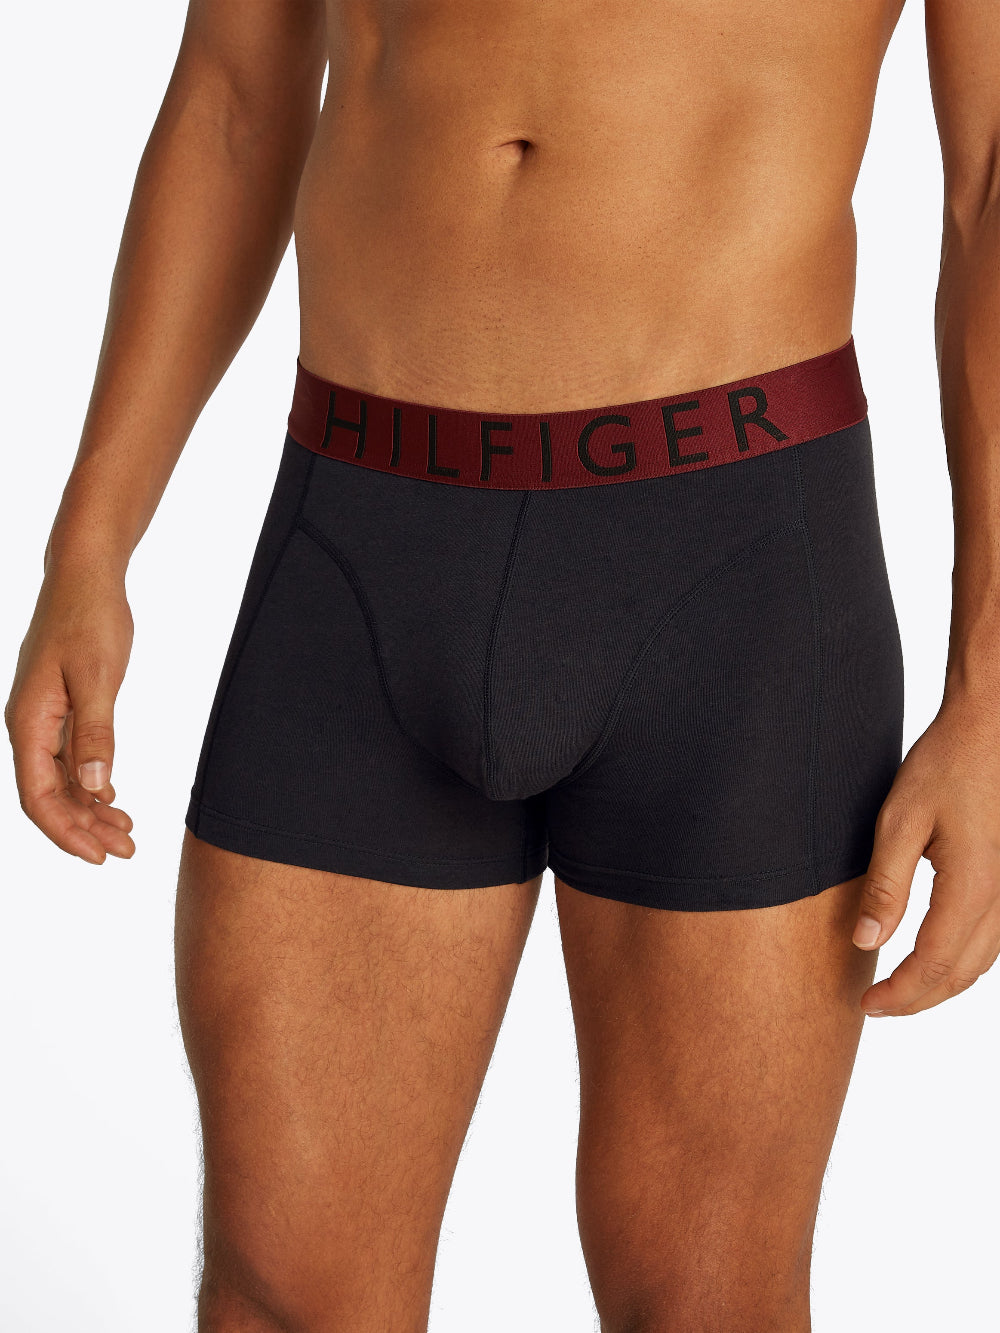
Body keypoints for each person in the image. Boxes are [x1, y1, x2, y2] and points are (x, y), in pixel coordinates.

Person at [6, 0, 1000, 1328]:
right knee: (281, 1291)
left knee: (707, 1301)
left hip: (734, 562)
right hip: (360, 539)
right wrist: (90, 541)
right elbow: (236, 95)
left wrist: (992, 693)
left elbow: (989, 179)